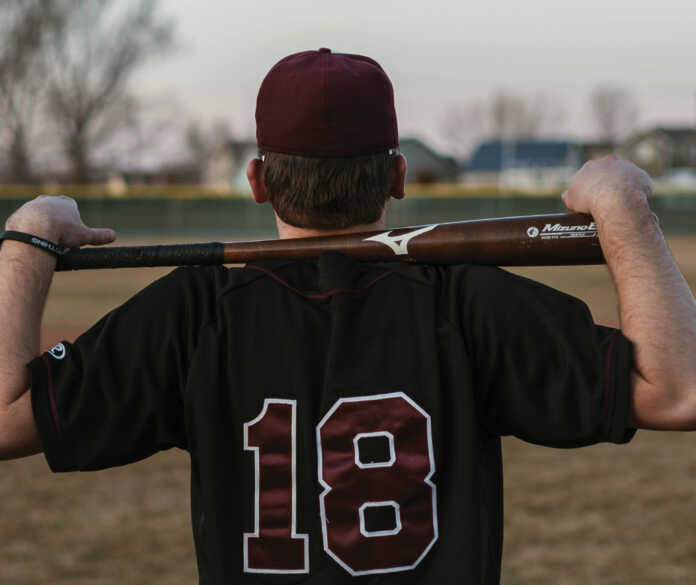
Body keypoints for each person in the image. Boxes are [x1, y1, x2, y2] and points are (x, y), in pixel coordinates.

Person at [0, 48, 694, 585]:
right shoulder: (466, 303)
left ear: (257, 180)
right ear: (397, 175)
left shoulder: (195, 313)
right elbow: (678, 388)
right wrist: (624, 211)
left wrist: (26, 239)